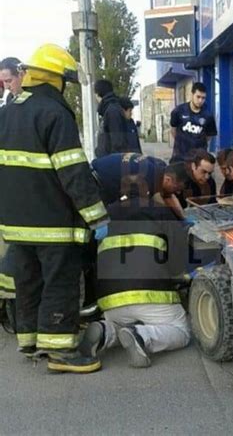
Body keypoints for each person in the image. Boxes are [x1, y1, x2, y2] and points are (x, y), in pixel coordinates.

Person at [0, 44, 109, 373]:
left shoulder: (7, 113)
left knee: (28, 282)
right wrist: (97, 216)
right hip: (52, 222)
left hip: (15, 224)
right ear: (56, 79)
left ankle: (32, 342)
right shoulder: (54, 113)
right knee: (59, 282)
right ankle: (61, 352)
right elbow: (72, 171)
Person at [79, 174, 190, 368]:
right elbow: (179, 255)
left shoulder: (103, 215)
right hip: (151, 294)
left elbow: (88, 259)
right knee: (181, 330)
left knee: (121, 323)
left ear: (120, 193)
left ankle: (105, 330)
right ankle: (142, 336)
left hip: (110, 300)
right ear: (147, 192)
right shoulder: (160, 211)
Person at [169, 82, 217, 163]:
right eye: (198, 97)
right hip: (179, 158)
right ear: (192, 95)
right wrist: (182, 141)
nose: (200, 100)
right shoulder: (178, 111)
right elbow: (173, 129)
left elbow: (209, 137)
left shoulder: (208, 115)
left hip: (198, 160)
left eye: (203, 98)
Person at [94, 79, 133, 157]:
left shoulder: (112, 110)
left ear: (98, 94)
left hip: (111, 162)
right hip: (108, 159)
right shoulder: (109, 109)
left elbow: (118, 142)